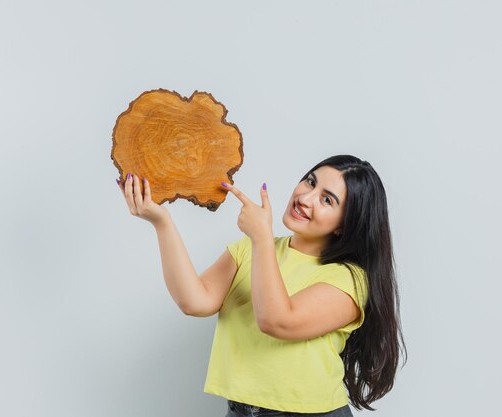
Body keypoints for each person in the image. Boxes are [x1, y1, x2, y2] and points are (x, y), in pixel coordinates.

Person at [116, 155, 405, 416]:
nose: (306, 197)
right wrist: (161, 221)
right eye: (310, 182)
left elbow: (278, 321)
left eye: (327, 200)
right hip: (241, 411)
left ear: (344, 224)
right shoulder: (250, 249)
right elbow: (194, 301)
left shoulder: (348, 278)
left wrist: (262, 238)